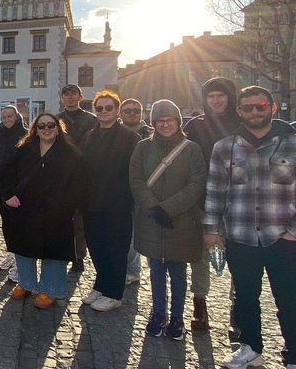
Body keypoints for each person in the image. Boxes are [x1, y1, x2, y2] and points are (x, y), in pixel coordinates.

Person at [204, 86, 296, 369]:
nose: (255, 112)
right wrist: (211, 230)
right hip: (240, 236)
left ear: (272, 107)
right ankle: (251, 349)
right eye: (248, 108)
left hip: (284, 239)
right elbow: (215, 192)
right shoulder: (226, 147)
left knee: (290, 300)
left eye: (260, 106)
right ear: (240, 111)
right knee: (245, 297)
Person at [129, 100, 206, 341]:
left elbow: (196, 184)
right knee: (155, 270)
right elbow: (136, 178)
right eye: (160, 121)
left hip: (180, 220)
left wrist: (168, 208)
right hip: (152, 219)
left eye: (170, 120)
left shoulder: (191, 149)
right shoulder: (143, 147)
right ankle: (158, 313)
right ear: (153, 124)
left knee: (178, 271)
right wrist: (152, 206)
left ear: (177, 122)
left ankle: (177, 317)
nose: (165, 125)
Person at [3, 113, 91, 309]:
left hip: (57, 211)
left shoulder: (70, 154)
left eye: (51, 125)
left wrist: (69, 204)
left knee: (54, 251)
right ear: (35, 129)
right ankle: (25, 283)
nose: (46, 128)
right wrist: (8, 195)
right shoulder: (24, 150)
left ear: (58, 128)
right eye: (41, 125)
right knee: (25, 247)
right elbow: (6, 174)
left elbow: (80, 183)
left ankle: (50, 290)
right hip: (27, 208)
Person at [184, 77, 242, 330]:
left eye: (221, 95)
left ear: (230, 98)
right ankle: (200, 302)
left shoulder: (242, 124)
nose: (216, 101)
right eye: (211, 97)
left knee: (240, 256)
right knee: (200, 254)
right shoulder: (195, 126)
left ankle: (239, 306)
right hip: (203, 197)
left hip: (239, 200)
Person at [79, 91, 140, 312]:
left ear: (117, 110)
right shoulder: (90, 136)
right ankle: (100, 284)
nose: (104, 112)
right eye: (100, 108)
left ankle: (114, 293)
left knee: (116, 248)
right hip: (92, 202)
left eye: (108, 108)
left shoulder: (129, 137)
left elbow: (134, 172)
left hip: (118, 203)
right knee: (96, 247)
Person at [56, 83, 97, 273]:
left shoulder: (91, 120)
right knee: (61, 218)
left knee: (79, 220)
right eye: (67, 94)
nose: (70, 97)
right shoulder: (56, 120)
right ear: (62, 98)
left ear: (80, 97)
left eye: (74, 94)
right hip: (61, 175)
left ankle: (79, 256)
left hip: (83, 174)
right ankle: (63, 252)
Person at [0, 105, 27, 283]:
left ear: (17, 117)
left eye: (10, 116)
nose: (7, 119)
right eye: (4, 117)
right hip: (0, 186)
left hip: (17, 189)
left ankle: (21, 262)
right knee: (6, 223)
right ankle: (12, 253)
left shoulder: (25, 136)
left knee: (19, 225)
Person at [119, 97, 152, 286]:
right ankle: (125, 267)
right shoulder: (116, 133)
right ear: (121, 114)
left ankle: (133, 269)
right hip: (121, 187)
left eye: (135, 110)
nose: (132, 114)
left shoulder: (149, 133)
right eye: (128, 110)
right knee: (123, 231)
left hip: (143, 188)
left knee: (134, 231)